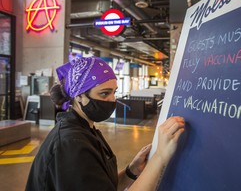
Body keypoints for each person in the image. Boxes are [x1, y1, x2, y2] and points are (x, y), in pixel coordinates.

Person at [25, 56, 185, 191]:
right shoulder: (71, 145)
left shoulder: (87, 130)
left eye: (114, 92)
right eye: (104, 94)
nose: (112, 100)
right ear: (79, 96)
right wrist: (160, 157)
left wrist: (132, 170)